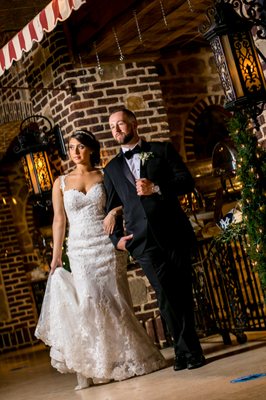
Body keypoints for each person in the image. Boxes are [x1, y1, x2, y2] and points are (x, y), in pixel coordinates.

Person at [34, 130, 166, 391]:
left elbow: (124, 200)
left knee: (116, 301)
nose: (75, 152)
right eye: (71, 147)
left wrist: (114, 212)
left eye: (81, 147)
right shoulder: (60, 182)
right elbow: (59, 219)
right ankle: (96, 365)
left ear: (90, 149)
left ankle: (128, 359)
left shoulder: (105, 175)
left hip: (106, 245)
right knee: (90, 304)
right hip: (80, 250)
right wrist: (56, 255)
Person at [104, 108, 205, 371]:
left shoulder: (161, 150)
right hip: (143, 241)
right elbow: (112, 208)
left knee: (181, 290)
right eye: (112, 127)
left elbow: (186, 182)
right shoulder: (112, 168)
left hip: (173, 232)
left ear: (134, 124)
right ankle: (186, 350)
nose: (116, 130)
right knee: (164, 294)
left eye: (121, 124)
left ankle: (188, 352)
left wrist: (156, 188)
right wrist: (117, 239)